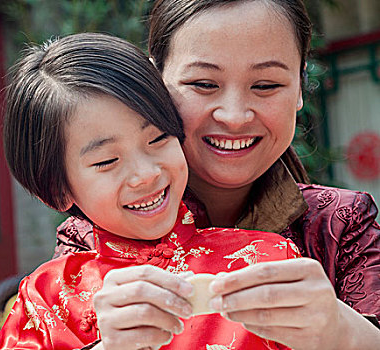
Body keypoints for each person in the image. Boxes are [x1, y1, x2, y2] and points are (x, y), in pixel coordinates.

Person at [54, 1, 380, 349]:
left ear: (300, 86)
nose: (234, 116)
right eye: (204, 84)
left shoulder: (342, 224)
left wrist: (342, 330)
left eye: (266, 85)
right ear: (155, 86)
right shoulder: (93, 235)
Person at [0, 32, 304, 350]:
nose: (146, 174)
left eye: (158, 139)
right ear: (58, 191)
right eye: (107, 160)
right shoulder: (46, 297)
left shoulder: (268, 260)